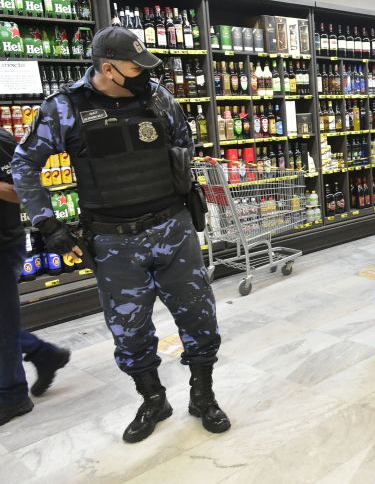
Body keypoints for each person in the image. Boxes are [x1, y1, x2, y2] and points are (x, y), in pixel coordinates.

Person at [12, 26, 229, 443]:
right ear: (108, 68)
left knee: (200, 317)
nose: (144, 73)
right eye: (135, 66)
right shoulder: (66, 108)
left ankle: (203, 395)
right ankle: (153, 400)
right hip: (113, 242)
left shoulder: (158, 96)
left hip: (173, 228)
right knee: (129, 331)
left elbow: (183, 142)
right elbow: (24, 165)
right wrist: (46, 222)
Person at [0, 128, 70, 427]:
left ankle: (13, 395)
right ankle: (44, 353)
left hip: (2, 244)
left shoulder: (2, 141)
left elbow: (21, 192)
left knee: (3, 323)